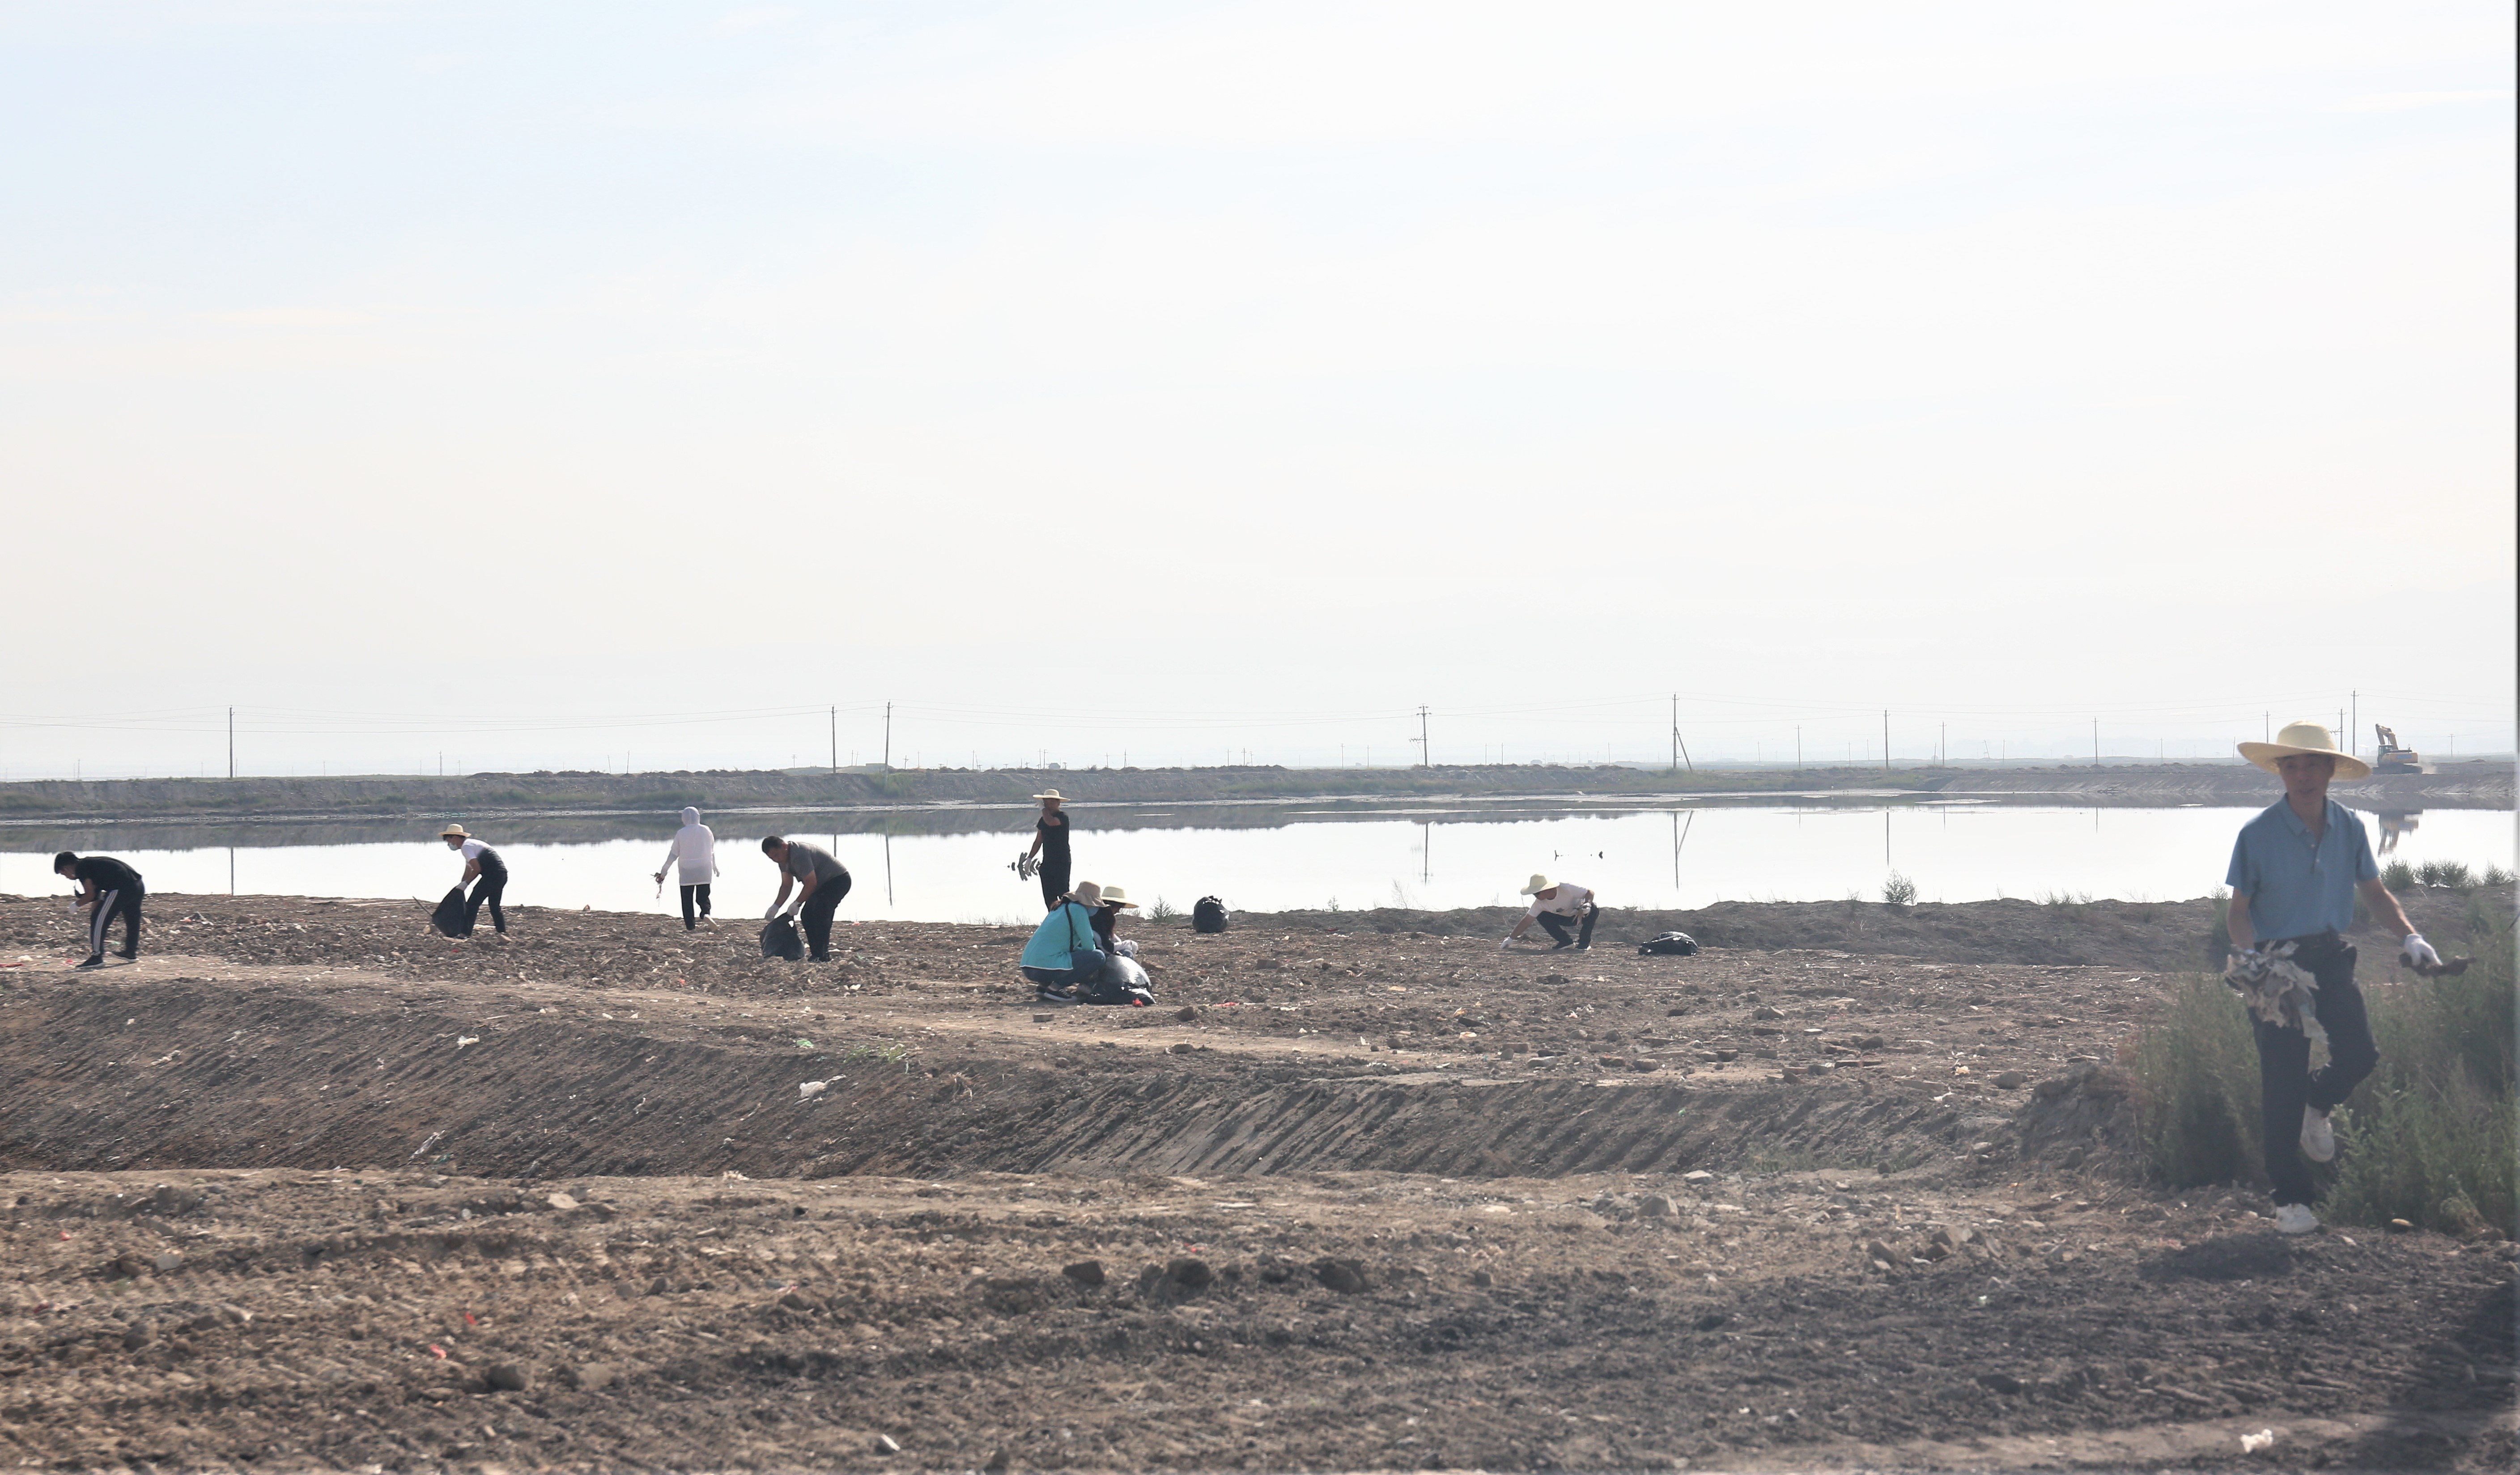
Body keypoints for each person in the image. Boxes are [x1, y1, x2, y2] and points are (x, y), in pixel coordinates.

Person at [2226, 719, 2435, 1237]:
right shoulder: (2256, 835)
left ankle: (2316, 1102)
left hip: (2329, 956)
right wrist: (2248, 959)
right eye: (2291, 766)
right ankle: (2289, 1201)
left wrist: (2410, 937)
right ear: (2280, 772)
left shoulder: (2350, 828)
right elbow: (2238, 911)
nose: (2302, 775)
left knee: (2360, 1054)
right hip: (2274, 966)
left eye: (2312, 765)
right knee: (2281, 1081)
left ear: (2329, 771)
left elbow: (2376, 895)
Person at [762, 835, 852, 962]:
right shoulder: (783, 861)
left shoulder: (799, 854)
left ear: (784, 846)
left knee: (820, 912)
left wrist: (797, 903)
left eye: (777, 855)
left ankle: (823, 954)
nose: (777, 860)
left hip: (837, 880)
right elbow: (787, 885)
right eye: (772, 858)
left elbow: (811, 882)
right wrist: (776, 906)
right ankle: (816, 954)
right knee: (807, 915)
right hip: (820, 886)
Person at [1019, 880, 1108, 1003]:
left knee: (1063, 955)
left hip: (1028, 967)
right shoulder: (1079, 910)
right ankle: (1055, 989)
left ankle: (1043, 987)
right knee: (1098, 957)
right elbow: (1089, 946)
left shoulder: (1059, 908)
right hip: (1045, 969)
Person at [54, 850, 144, 970]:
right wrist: (95, 924)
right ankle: (130, 952)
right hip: (137, 885)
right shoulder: (92, 865)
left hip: (121, 888)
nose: (66, 877)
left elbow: (90, 895)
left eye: (63, 874)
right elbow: (96, 897)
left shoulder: (81, 868)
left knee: (99, 919)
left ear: (66, 868)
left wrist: (76, 906)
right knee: (132, 919)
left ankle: (97, 957)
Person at [653, 806, 720, 931]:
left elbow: (674, 854)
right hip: (704, 869)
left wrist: (664, 871)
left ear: (684, 818)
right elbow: (712, 851)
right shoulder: (706, 830)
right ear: (698, 817)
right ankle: (706, 914)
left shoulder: (681, 833)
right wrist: (715, 866)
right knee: (703, 897)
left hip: (687, 871)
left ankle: (691, 927)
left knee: (687, 900)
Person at [440, 824, 510, 937]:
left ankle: (465, 933)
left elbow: (477, 869)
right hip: (502, 875)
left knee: (472, 904)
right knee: (495, 906)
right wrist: (462, 885)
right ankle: (502, 932)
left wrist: (466, 883)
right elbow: (469, 869)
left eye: (449, 840)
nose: (449, 844)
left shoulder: (466, 847)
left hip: (491, 876)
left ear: (455, 838)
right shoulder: (472, 845)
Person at [1506, 874, 1600, 950]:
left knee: (1594, 909)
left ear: (1546, 889)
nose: (1535, 896)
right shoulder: (1539, 904)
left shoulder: (1567, 888)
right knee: (1542, 916)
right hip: (1566, 919)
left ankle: (1584, 944)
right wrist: (1511, 938)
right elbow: (1527, 920)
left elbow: (1589, 892)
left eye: (1537, 893)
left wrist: (1587, 904)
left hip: (1582, 914)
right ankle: (1566, 942)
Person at [1021, 789, 1075, 911]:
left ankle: (1068, 916)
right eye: (1046, 803)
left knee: (1063, 893)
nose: (1049, 806)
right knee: (1049, 897)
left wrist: (1043, 810)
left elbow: (1051, 822)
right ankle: (1053, 918)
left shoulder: (1063, 817)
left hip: (1062, 862)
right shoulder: (1043, 820)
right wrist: (1030, 858)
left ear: (1059, 803)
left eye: (1052, 803)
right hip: (1047, 862)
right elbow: (1038, 841)